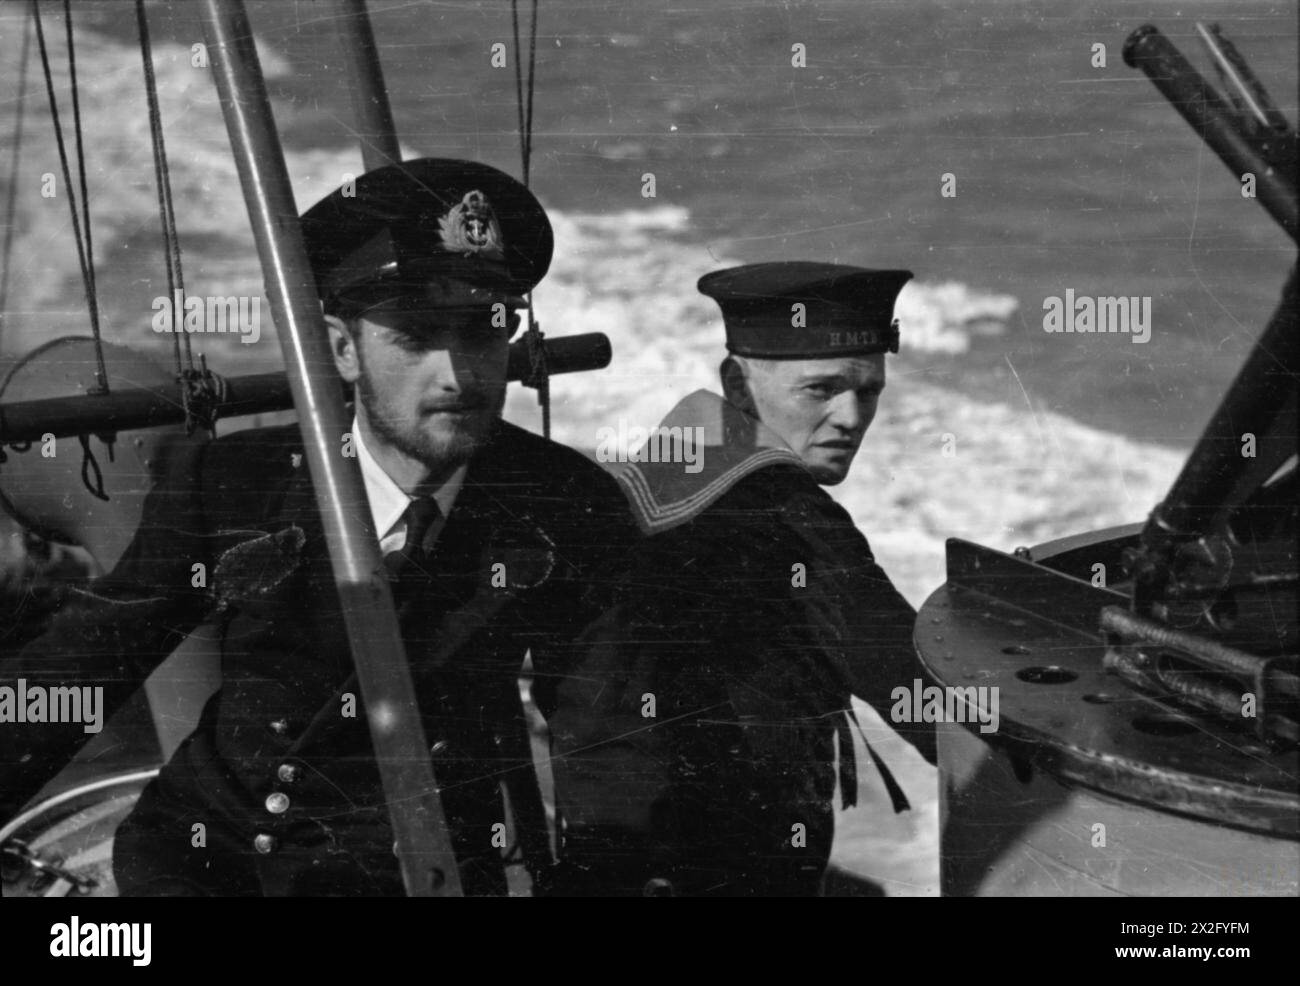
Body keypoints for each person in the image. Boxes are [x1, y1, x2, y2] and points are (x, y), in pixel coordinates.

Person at [0, 158, 635, 896]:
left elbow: (612, 748)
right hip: (199, 866)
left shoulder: (568, 507)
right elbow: (89, 661)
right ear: (341, 348)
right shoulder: (237, 481)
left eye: (483, 333)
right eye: (416, 338)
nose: (458, 374)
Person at [549, 261, 938, 896]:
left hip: (620, 845)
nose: (850, 417)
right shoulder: (787, 511)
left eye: (868, 391)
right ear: (737, 382)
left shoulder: (676, 455)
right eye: (821, 390)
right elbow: (909, 679)